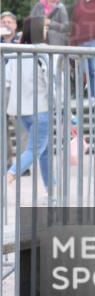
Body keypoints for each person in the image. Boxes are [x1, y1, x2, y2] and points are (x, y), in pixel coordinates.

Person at [4, 17, 50, 188]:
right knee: (34, 150)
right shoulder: (45, 51)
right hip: (41, 109)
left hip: (21, 112)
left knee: (44, 151)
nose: (47, 30)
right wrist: (66, 113)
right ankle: (7, 178)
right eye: (45, 27)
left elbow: (7, 80)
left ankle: (51, 189)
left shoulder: (17, 52)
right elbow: (52, 84)